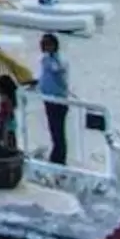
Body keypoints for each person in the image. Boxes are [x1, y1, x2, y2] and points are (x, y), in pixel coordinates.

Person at [37, 33, 72, 165]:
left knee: (58, 133)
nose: (42, 46)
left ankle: (60, 160)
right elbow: (45, 77)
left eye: (45, 44)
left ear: (53, 46)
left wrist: (50, 61)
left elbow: (57, 70)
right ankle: (56, 157)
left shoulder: (59, 60)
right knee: (53, 130)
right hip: (49, 100)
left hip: (59, 101)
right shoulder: (46, 59)